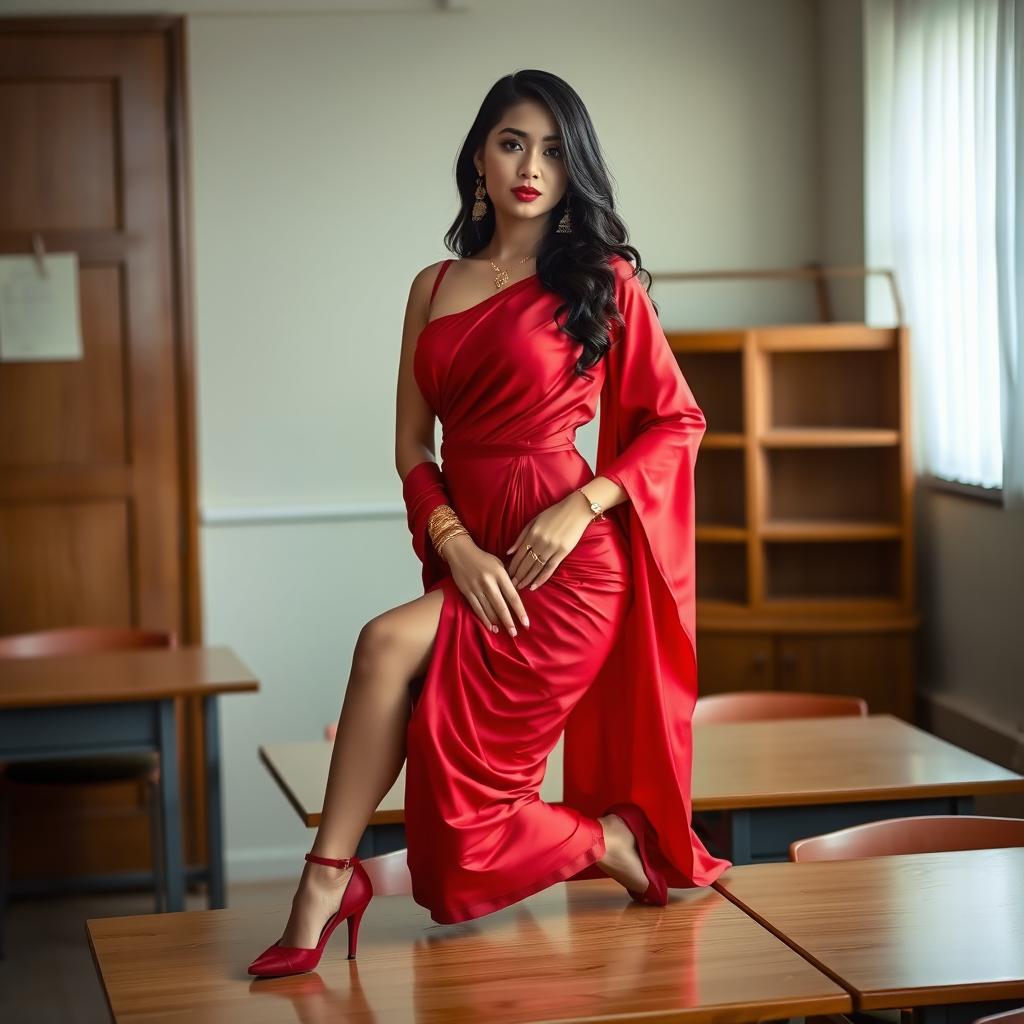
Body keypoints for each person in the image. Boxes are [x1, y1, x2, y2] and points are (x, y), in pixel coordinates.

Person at [248, 69, 731, 979]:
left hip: (567, 567)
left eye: (554, 150)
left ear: (572, 167)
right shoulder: (431, 286)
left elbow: (679, 421)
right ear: (479, 155)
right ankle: (329, 881)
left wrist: (582, 503)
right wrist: (455, 546)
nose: (532, 166)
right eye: (513, 142)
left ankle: (602, 844)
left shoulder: (602, 280)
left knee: (453, 826)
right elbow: (410, 447)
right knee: (418, 768)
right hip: (473, 555)